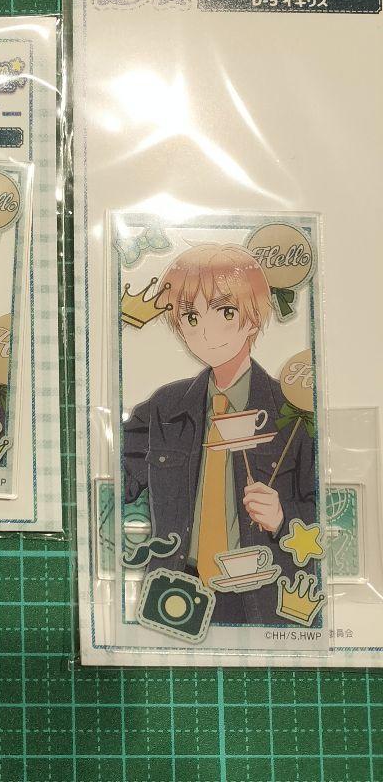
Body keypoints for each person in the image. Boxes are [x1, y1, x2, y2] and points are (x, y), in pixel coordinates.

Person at [123, 243, 317, 625]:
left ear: (253, 318)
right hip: (177, 588)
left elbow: (326, 510)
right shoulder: (166, 407)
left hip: (263, 597)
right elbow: (113, 471)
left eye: (226, 312)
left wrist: (283, 517)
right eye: (191, 316)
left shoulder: (291, 414)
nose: (206, 333)